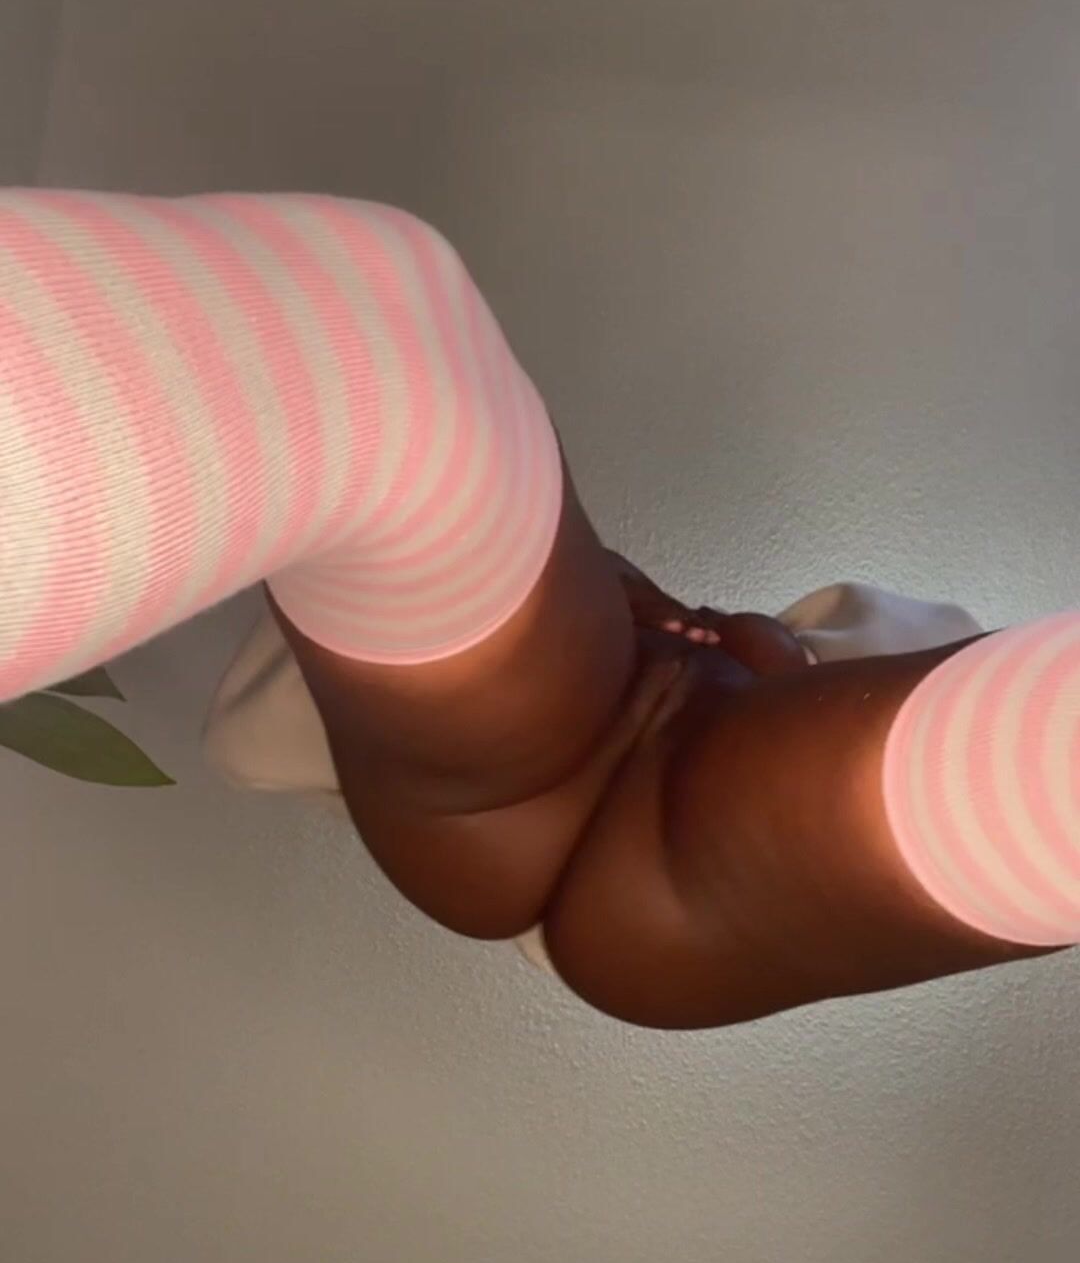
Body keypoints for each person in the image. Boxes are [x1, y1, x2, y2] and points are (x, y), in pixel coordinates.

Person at [1, 187, 1076, 1028]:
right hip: (611, 839)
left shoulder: (687, 683)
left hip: (594, 847)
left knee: (364, 323)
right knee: (368, 328)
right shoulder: (705, 674)